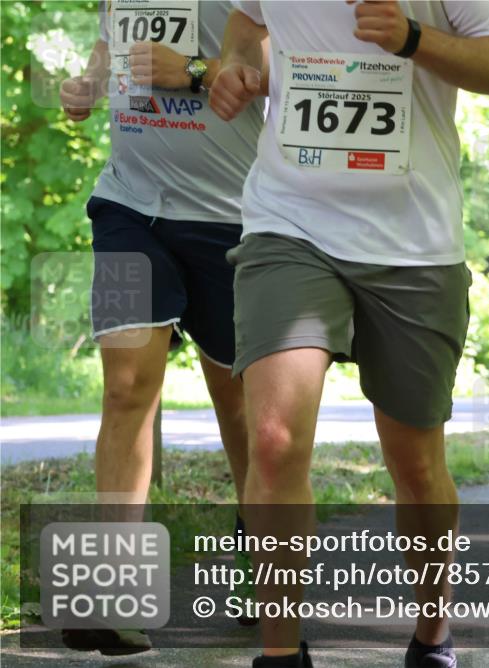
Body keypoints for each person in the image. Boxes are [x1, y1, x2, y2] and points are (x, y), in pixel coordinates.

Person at [209, 2, 489, 666]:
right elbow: (245, 27)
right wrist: (236, 68)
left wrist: (414, 38)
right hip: (288, 222)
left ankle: (433, 633)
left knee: (415, 465)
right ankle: (279, 653)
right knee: (271, 442)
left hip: (412, 242)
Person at [58, 1, 267, 653]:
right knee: (125, 386)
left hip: (231, 220)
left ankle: (261, 567)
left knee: (240, 404)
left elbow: (284, 65)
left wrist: (198, 72)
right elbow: (108, 42)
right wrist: (89, 85)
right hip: (128, 207)